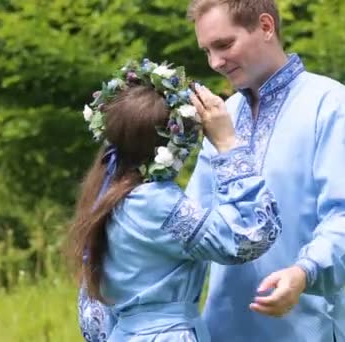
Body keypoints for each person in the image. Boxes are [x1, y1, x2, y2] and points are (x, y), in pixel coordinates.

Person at [185, 1, 345, 341]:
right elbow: (193, 221)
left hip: (305, 327)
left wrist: (304, 273)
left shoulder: (332, 106)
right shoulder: (222, 114)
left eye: (225, 45)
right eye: (207, 51)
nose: (215, 62)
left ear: (266, 26)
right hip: (222, 329)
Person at [68, 59, 282, 341]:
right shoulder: (153, 202)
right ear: (174, 143)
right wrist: (228, 145)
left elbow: (94, 316)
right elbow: (248, 235)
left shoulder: (108, 193)